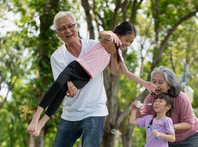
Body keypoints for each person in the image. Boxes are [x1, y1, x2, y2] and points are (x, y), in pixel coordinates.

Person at [27, 11, 121, 147]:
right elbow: (64, 88)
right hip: (70, 115)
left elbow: (114, 70)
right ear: (58, 34)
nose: (68, 30)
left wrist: (114, 52)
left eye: (71, 26)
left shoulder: (94, 46)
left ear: (77, 26)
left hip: (95, 111)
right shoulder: (57, 56)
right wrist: (71, 90)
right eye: (62, 28)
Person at [27, 21, 155, 136]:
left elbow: (125, 73)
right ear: (118, 34)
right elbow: (102, 32)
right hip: (76, 67)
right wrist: (112, 34)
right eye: (127, 40)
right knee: (58, 85)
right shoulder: (108, 39)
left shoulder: (117, 54)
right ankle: (36, 116)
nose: (128, 44)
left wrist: (145, 83)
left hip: (85, 78)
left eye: (131, 42)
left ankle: (42, 123)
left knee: (61, 94)